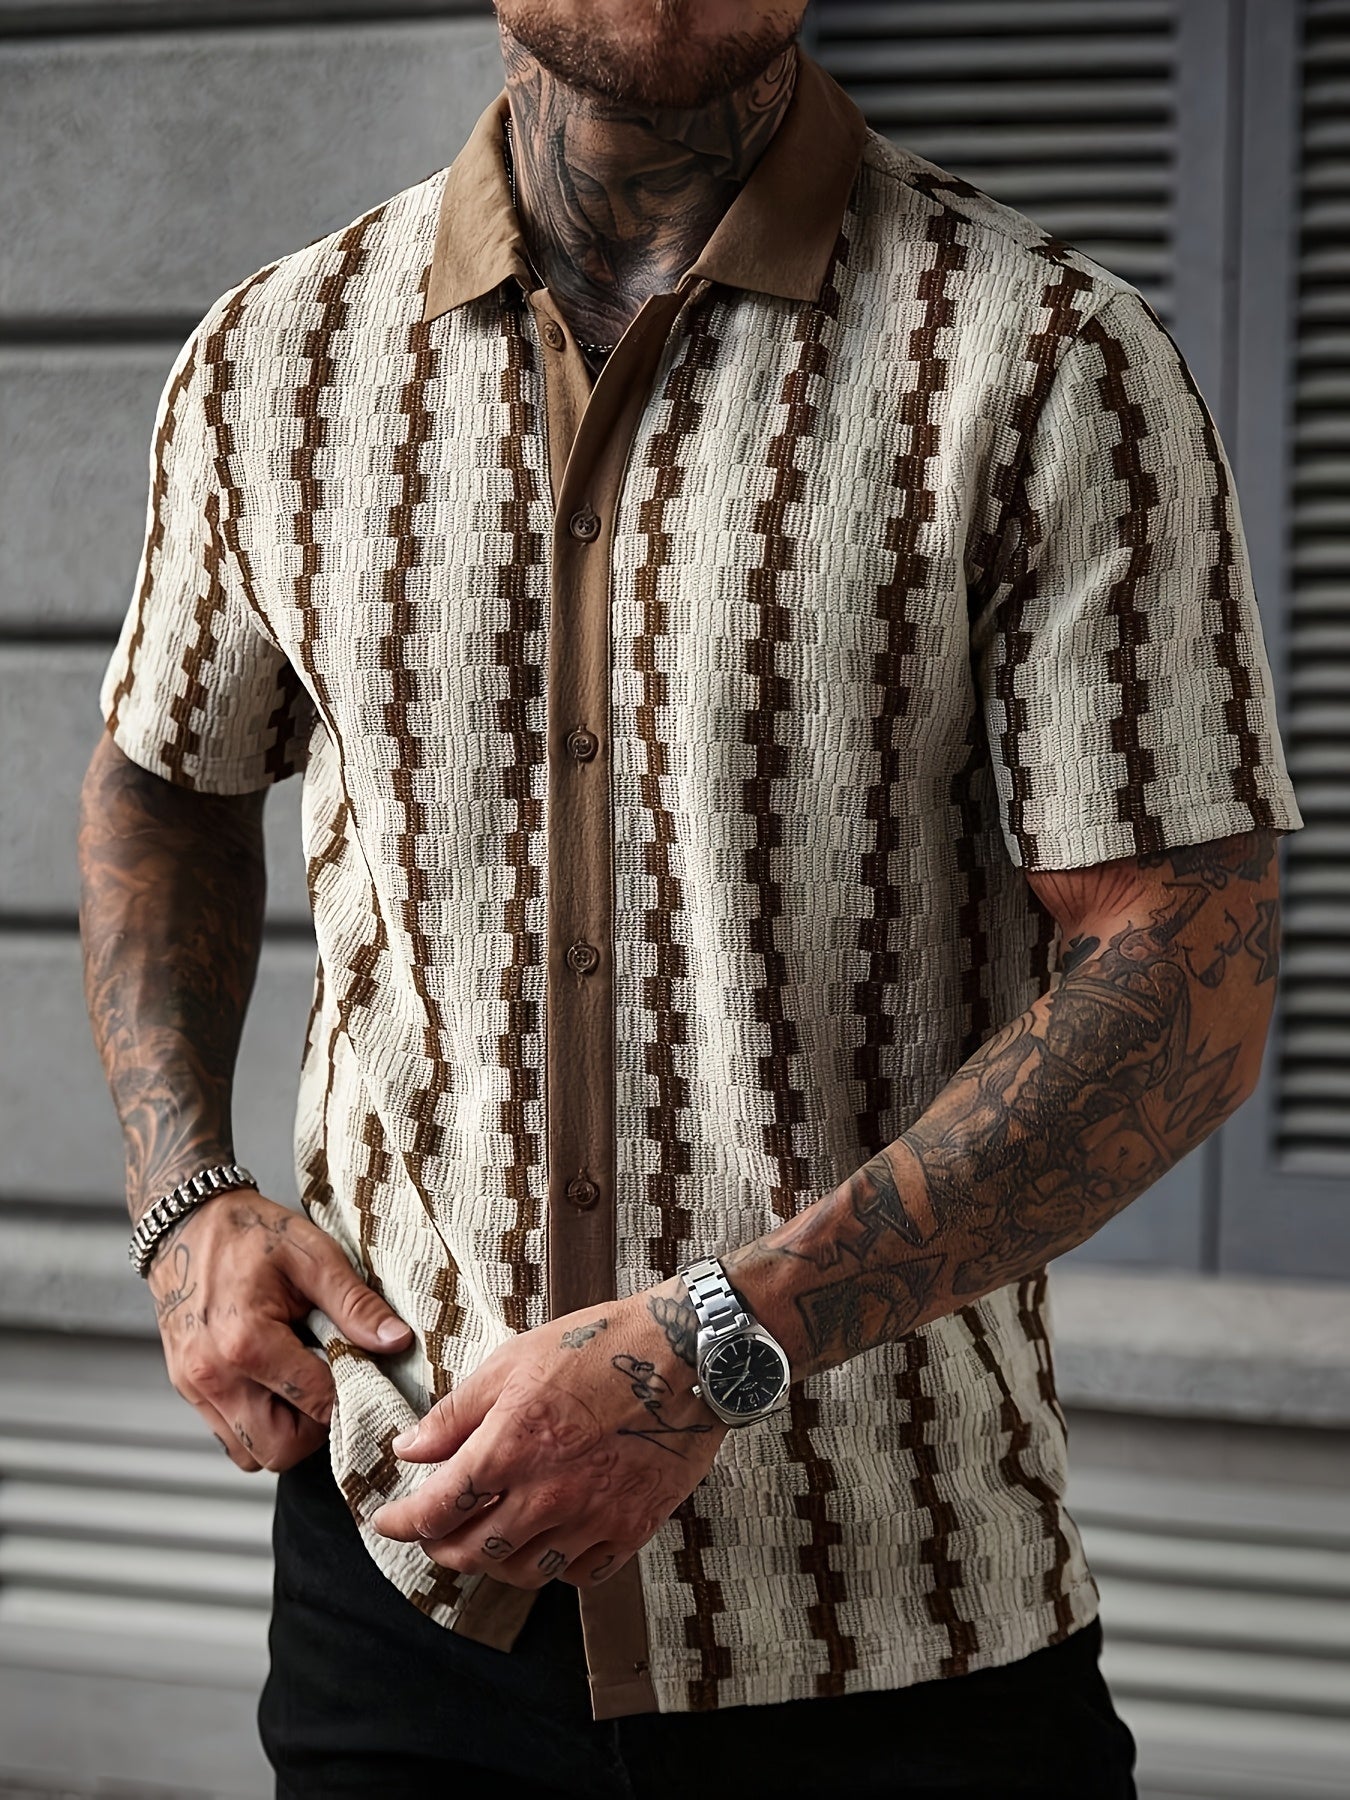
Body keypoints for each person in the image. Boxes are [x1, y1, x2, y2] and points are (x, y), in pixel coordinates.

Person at [77, 2, 1302, 1795]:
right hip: (399, 1607)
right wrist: (183, 1193)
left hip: (891, 1622)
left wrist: (717, 1345)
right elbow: (165, 778)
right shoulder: (275, 361)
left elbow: (1186, 975)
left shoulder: (1048, 359)